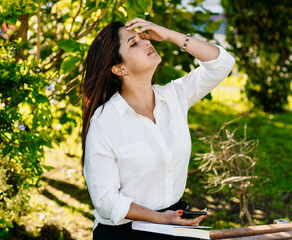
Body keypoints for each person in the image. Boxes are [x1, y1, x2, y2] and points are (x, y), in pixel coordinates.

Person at [81, 18, 235, 240]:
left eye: (142, 37)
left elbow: (222, 63)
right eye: (132, 43)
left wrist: (169, 34)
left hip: (174, 222)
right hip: (125, 232)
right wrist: (160, 218)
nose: (145, 42)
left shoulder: (174, 96)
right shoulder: (105, 121)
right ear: (119, 68)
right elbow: (106, 201)